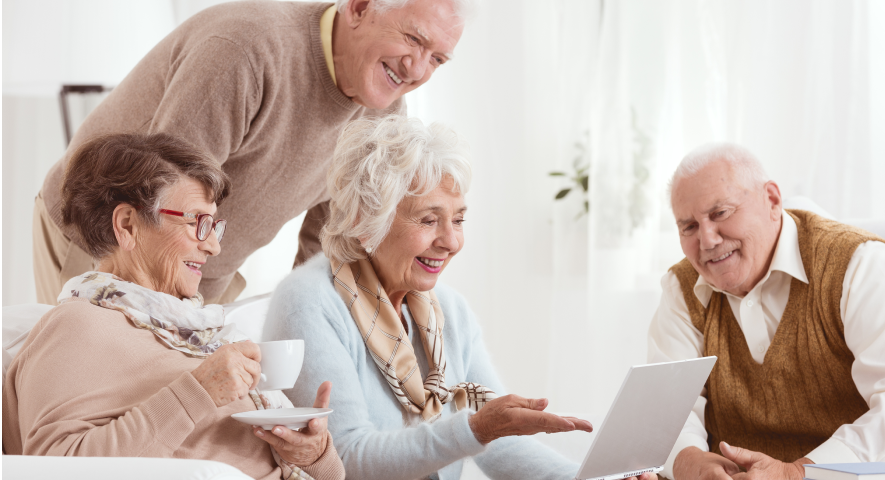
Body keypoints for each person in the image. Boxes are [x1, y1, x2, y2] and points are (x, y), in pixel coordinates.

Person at [264, 116, 658, 480]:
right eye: (429, 219)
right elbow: (346, 457)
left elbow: (497, 445)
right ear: (365, 220)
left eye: (458, 220)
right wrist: (474, 428)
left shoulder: (447, 310)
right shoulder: (308, 302)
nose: (451, 242)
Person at [33, 0, 470, 305]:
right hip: (106, 233)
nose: (417, 69)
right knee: (111, 404)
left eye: (437, 59)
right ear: (358, 7)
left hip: (204, 263)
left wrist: (314, 325)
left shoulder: (384, 114)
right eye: (413, 39)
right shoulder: (245, 52)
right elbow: (159, 206)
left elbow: (332, 241)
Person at [3, 133, 343, 480]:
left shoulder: (195, 331)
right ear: (127, 225)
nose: (213, 246)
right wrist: (198, 391)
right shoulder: (78, 325)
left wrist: (314, 454)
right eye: (197, 223)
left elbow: (333, 475)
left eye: (214, 226)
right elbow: (52, 468)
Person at [647, 143, 885, 480]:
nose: (708, 239)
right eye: (689, 227)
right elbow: (665, 412)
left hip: (876, 473)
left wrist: (799, 473)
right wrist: (689, 463)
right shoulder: (681, 287)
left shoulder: (860, 262)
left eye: (720, 213)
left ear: (772, 200)